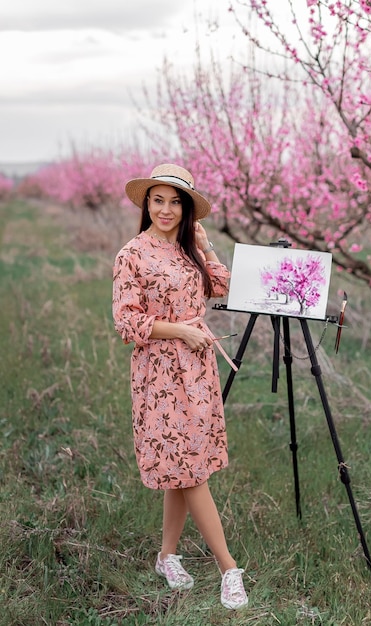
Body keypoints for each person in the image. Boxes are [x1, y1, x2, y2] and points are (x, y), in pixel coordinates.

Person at [112, 163, 248, 610]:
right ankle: (229, 567)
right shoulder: (132, 253)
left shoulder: (189, 249)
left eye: (175, 202)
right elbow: (127, 320)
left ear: (186, 209)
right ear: (146, 203)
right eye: (158, 200)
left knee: (182, 463)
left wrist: (207, 248)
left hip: (198, 368)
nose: (166, 210)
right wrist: (180, 332)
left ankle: (166, 555)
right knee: (191, 468)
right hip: (159, 373)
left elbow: (222, 287)